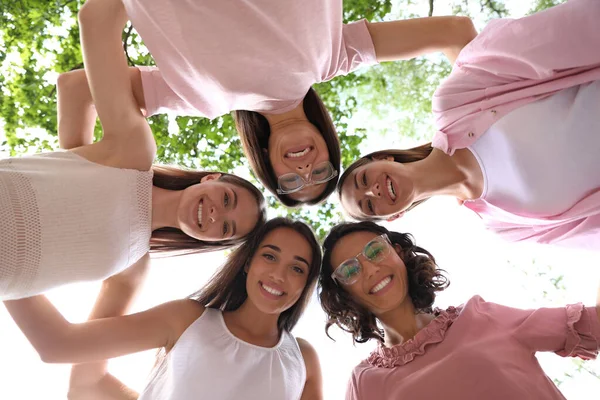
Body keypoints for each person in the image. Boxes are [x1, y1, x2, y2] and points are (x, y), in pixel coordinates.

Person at [74, 0, 477, 206]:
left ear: (266, 161)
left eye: (291, 180)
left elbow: (77, 90)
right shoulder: (337, 55)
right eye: (321, 172)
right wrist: (482, 128)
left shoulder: (196, 99)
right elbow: (454, 32)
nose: (305, 168)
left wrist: (73, 170)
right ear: (329, 144)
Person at [0, 0, 266, 301]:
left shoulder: (132, 270)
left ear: (212, 242)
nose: (218, 215)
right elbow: (95, 20)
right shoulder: (133, 153)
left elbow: (77, 348)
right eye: (227, 199)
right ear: (210, 178)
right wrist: (79, 157)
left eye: (227, 228)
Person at [338, 0, 600, 250]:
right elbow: (592, 231)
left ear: (384, 158)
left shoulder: (456, 102)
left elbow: (557, 36)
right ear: (394, 217)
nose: (373, 191)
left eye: (364, 180)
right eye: (369, 206)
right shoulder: (505, 226)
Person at [4, 217, 324, 400]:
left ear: (305, 284)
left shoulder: (303, 360)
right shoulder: (187, 320)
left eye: (297, 269)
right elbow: (62, 348)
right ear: (247, 265)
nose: (279, 275)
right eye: (269, 256)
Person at [318, 221, 600, 400]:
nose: (370, 269)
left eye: (375, 251)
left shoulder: (480, 315)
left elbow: (593, 323)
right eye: (350, 270)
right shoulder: (364, 382)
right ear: (345, 294)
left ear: (398, 252)